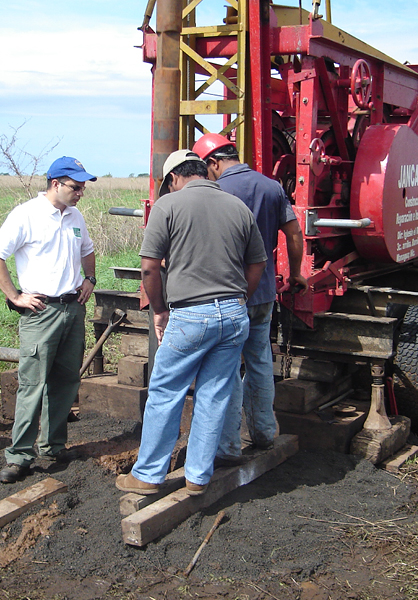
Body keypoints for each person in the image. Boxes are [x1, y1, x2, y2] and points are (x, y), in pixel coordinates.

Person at [115, 150, 267, 496]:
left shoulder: (168, 206)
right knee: (214, 394)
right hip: (233, 314)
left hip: (190, 315)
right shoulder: (238, 207)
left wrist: (158, 309)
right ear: (204, 172)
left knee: (166, 392)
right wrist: (239, 299)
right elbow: (257, 264)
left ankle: (148, 476)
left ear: (173, 179)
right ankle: (198, 476)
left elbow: (150, 267)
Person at [192, 133, 307, 463]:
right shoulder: (271, 187)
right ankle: (264, 432)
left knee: (225, 369)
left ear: (213, 162)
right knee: (259, 362)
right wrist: (297, 271)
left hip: (227, 297)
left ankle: (227, 446)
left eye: (206, 168)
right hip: (263, 295)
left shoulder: (216, 191)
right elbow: (294, 233)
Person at [0, 156, 98, 484]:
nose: (80, 193)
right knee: (33, 385)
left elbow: (87, 250)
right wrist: (15, 296)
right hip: (41, 313)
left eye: (82, 188)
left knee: (66, 382)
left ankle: (54, 445)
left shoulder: (75, 216)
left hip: (72, 309)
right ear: (55, 184)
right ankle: (19, 455)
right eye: (75, 187)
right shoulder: (26, 215)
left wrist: (89, 278)